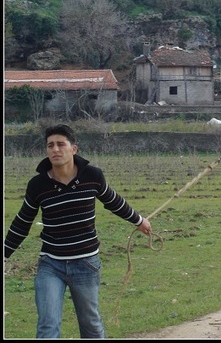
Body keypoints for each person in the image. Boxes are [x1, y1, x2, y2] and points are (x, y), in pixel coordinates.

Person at [3, 124, 152, 339]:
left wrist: (139, 220)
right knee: (47, 325)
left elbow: (113, 201)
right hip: (50, 264)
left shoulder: (92, 176)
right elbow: (22, 222)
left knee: (90, 324)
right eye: (50, 145)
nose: (55, 150)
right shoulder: (38, 185)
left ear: (74, 149)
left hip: (86, 264)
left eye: (60, 144)